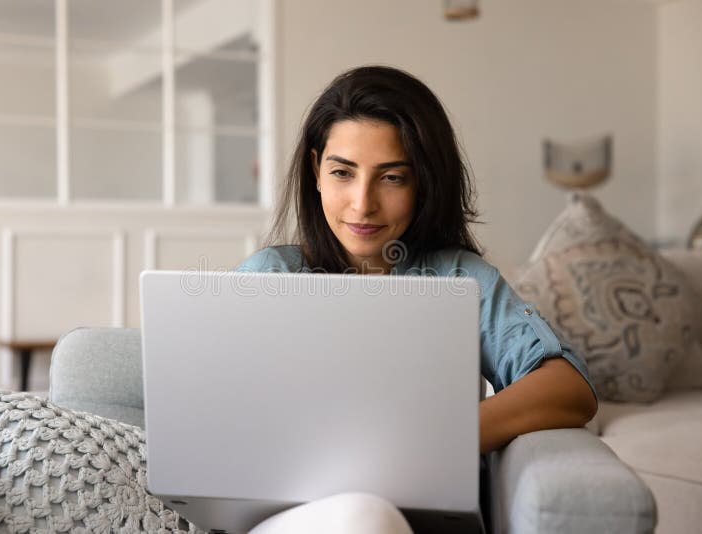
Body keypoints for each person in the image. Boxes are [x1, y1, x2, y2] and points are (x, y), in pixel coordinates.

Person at [235, 65, 598, 534]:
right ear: (316, 171)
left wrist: (438, 438)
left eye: (391, 178)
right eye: (343, 172)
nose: (363, 204)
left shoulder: (459, 278)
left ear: (423, 182)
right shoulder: (269, 276)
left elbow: (571, 387)